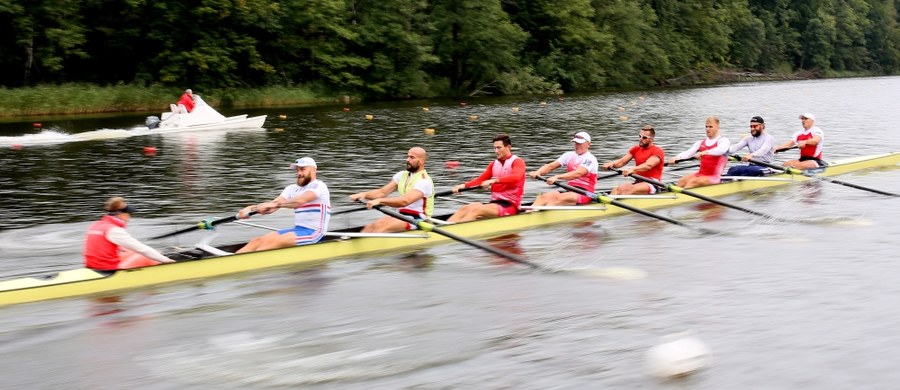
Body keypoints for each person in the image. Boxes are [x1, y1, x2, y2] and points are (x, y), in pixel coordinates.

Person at [236, 157, 331, 253]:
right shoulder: (292, 188)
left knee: (274, 242)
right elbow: (271, 207)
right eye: (297, 170)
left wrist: (276, 205)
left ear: (314, 170)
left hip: (314, 233)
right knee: (257, 241)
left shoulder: (319, 186)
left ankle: (249, 262)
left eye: (303, 169)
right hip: (298, 230)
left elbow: (300, 201)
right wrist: (251, 208)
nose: (299, 173)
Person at [349, 147, 435, 232]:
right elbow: (381, 193)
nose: (407, 160)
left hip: (419, 219)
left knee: (380, 229)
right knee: (370, 227)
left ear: (422, 161)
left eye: (412, 157)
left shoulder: (424, 181)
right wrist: (363, 195)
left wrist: (379, 201)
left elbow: (404, 201)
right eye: (407, 156)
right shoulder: (402, 175)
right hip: (401, 214)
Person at [448, 133, 526, 222]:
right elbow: (480, 180)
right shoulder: (493, 164)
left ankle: (456, 231)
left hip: (510, 206)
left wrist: (494, 181)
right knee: (465, 208)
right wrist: (463, 185)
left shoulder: (518, 162)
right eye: (494, 148)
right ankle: (442, 230)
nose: (496, 151)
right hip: (495, 203)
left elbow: (516, 177)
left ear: (508, 147)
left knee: (476, 210)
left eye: (499, 148)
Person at [84, 197, 175, 270]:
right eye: (129, 215)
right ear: (122, 215)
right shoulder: (114, 230)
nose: (129, 218)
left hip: (92, 265)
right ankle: (165, 268)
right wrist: (166, 260)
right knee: (144, 255)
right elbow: (142, 249)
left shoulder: (96, 225)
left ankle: (158, 258)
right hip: (107, 268)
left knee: (128, 250)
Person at [528, 131, 600, 205]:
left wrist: (557, 177)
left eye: (579, 143)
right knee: (543, 197)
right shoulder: (568, 155)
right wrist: (538, 172)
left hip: (586, 193)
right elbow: (550, 166)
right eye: (575, 143)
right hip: (569, 190)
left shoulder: (590, 159)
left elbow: (578, 173)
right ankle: (530, 212)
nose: (576, 145)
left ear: (588, 144)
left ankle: (545, 213)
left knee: (558, 199)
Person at [667, 116, 731, 189]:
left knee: (693, 182)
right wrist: (676, 157)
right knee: (681, 181)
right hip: (700, 174)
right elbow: (688, 153)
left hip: (713, 177)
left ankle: (681, 197)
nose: (707, 129)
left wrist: (704, 152)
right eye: (706, 127)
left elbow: (721, 150)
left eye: (710, 127)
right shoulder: (700, 142)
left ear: (717, 127)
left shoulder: (723, 141)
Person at [602, 125, 666, 195]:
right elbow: (622, 162)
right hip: (638, 181)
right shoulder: (636, 149)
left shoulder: (658, 151)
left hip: (653, 183)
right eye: (640, 136)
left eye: (644, 137)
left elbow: (648, 165)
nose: (641, 139)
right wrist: (612, 164)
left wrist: (633, 169)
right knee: (617, 189)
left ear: (651, 139)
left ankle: (618, 204)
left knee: (629, 189)